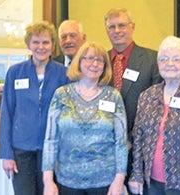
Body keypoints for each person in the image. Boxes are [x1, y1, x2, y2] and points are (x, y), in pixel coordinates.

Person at [128, 36, 180, 195]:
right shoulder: (147, 96)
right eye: (164, 59)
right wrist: (136, 174)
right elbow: (138, 139)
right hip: (150, 183)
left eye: (177, 59)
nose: (170, 64)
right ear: (158, 64)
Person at [42, 41, 128, 195]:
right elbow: (50, 139)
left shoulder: (113, 96)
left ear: (104, 66)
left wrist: (119, 180)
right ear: (79, 62)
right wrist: (48, 181)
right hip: (67, 181)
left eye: (99, 60)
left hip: (105, 182)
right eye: (89, 58)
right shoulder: (61, 95)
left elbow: (121, 142)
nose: (94, 64)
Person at [0, 20, 69, 195]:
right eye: (36, 42)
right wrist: (6, 154)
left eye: (46, 42)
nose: (41, 47)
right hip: (21, 149)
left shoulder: (63, 74)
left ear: (53, 45)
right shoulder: (15, 72)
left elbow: (68, 115)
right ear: (29, 44)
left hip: (52, 150)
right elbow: (7, 113)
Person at [104, 7, 163, 192]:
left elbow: (157, 106)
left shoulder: (152, 59)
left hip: (140, 147)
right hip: (107, 147)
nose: (117, 30)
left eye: (122, 25)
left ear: (132, 27)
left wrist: (132, 139)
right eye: (111, 27)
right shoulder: (100, 61)